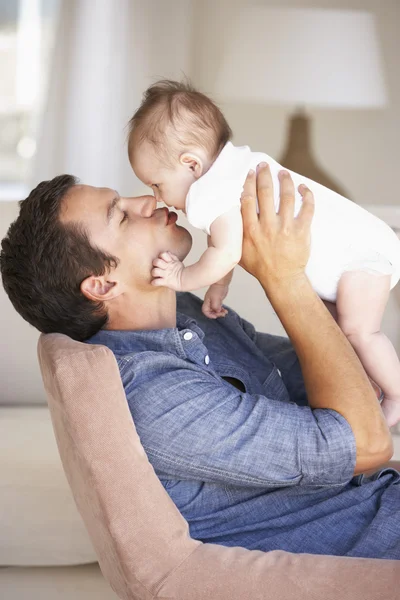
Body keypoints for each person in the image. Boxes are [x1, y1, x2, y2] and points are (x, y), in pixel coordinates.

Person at [0, 164, 399, 559]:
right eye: (121, 215)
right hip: (374, 539)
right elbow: (364, 442)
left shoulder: (189, 312)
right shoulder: (153, 395)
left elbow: (357, 386)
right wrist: (283, 279)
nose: (148, 200)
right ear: (103, 285)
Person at [128, 80, 400, 427]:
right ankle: (371, 382)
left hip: (361, 260)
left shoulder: (211, 194)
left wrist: (183, 277)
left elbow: (224, 252)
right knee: (336, 332)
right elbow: (226, 244)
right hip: (365, 249)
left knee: (360, 332)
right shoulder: (233, 173)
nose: (159, 197)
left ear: (191, 164)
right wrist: (218, 286)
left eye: (157, 184)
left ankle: (395, 394)